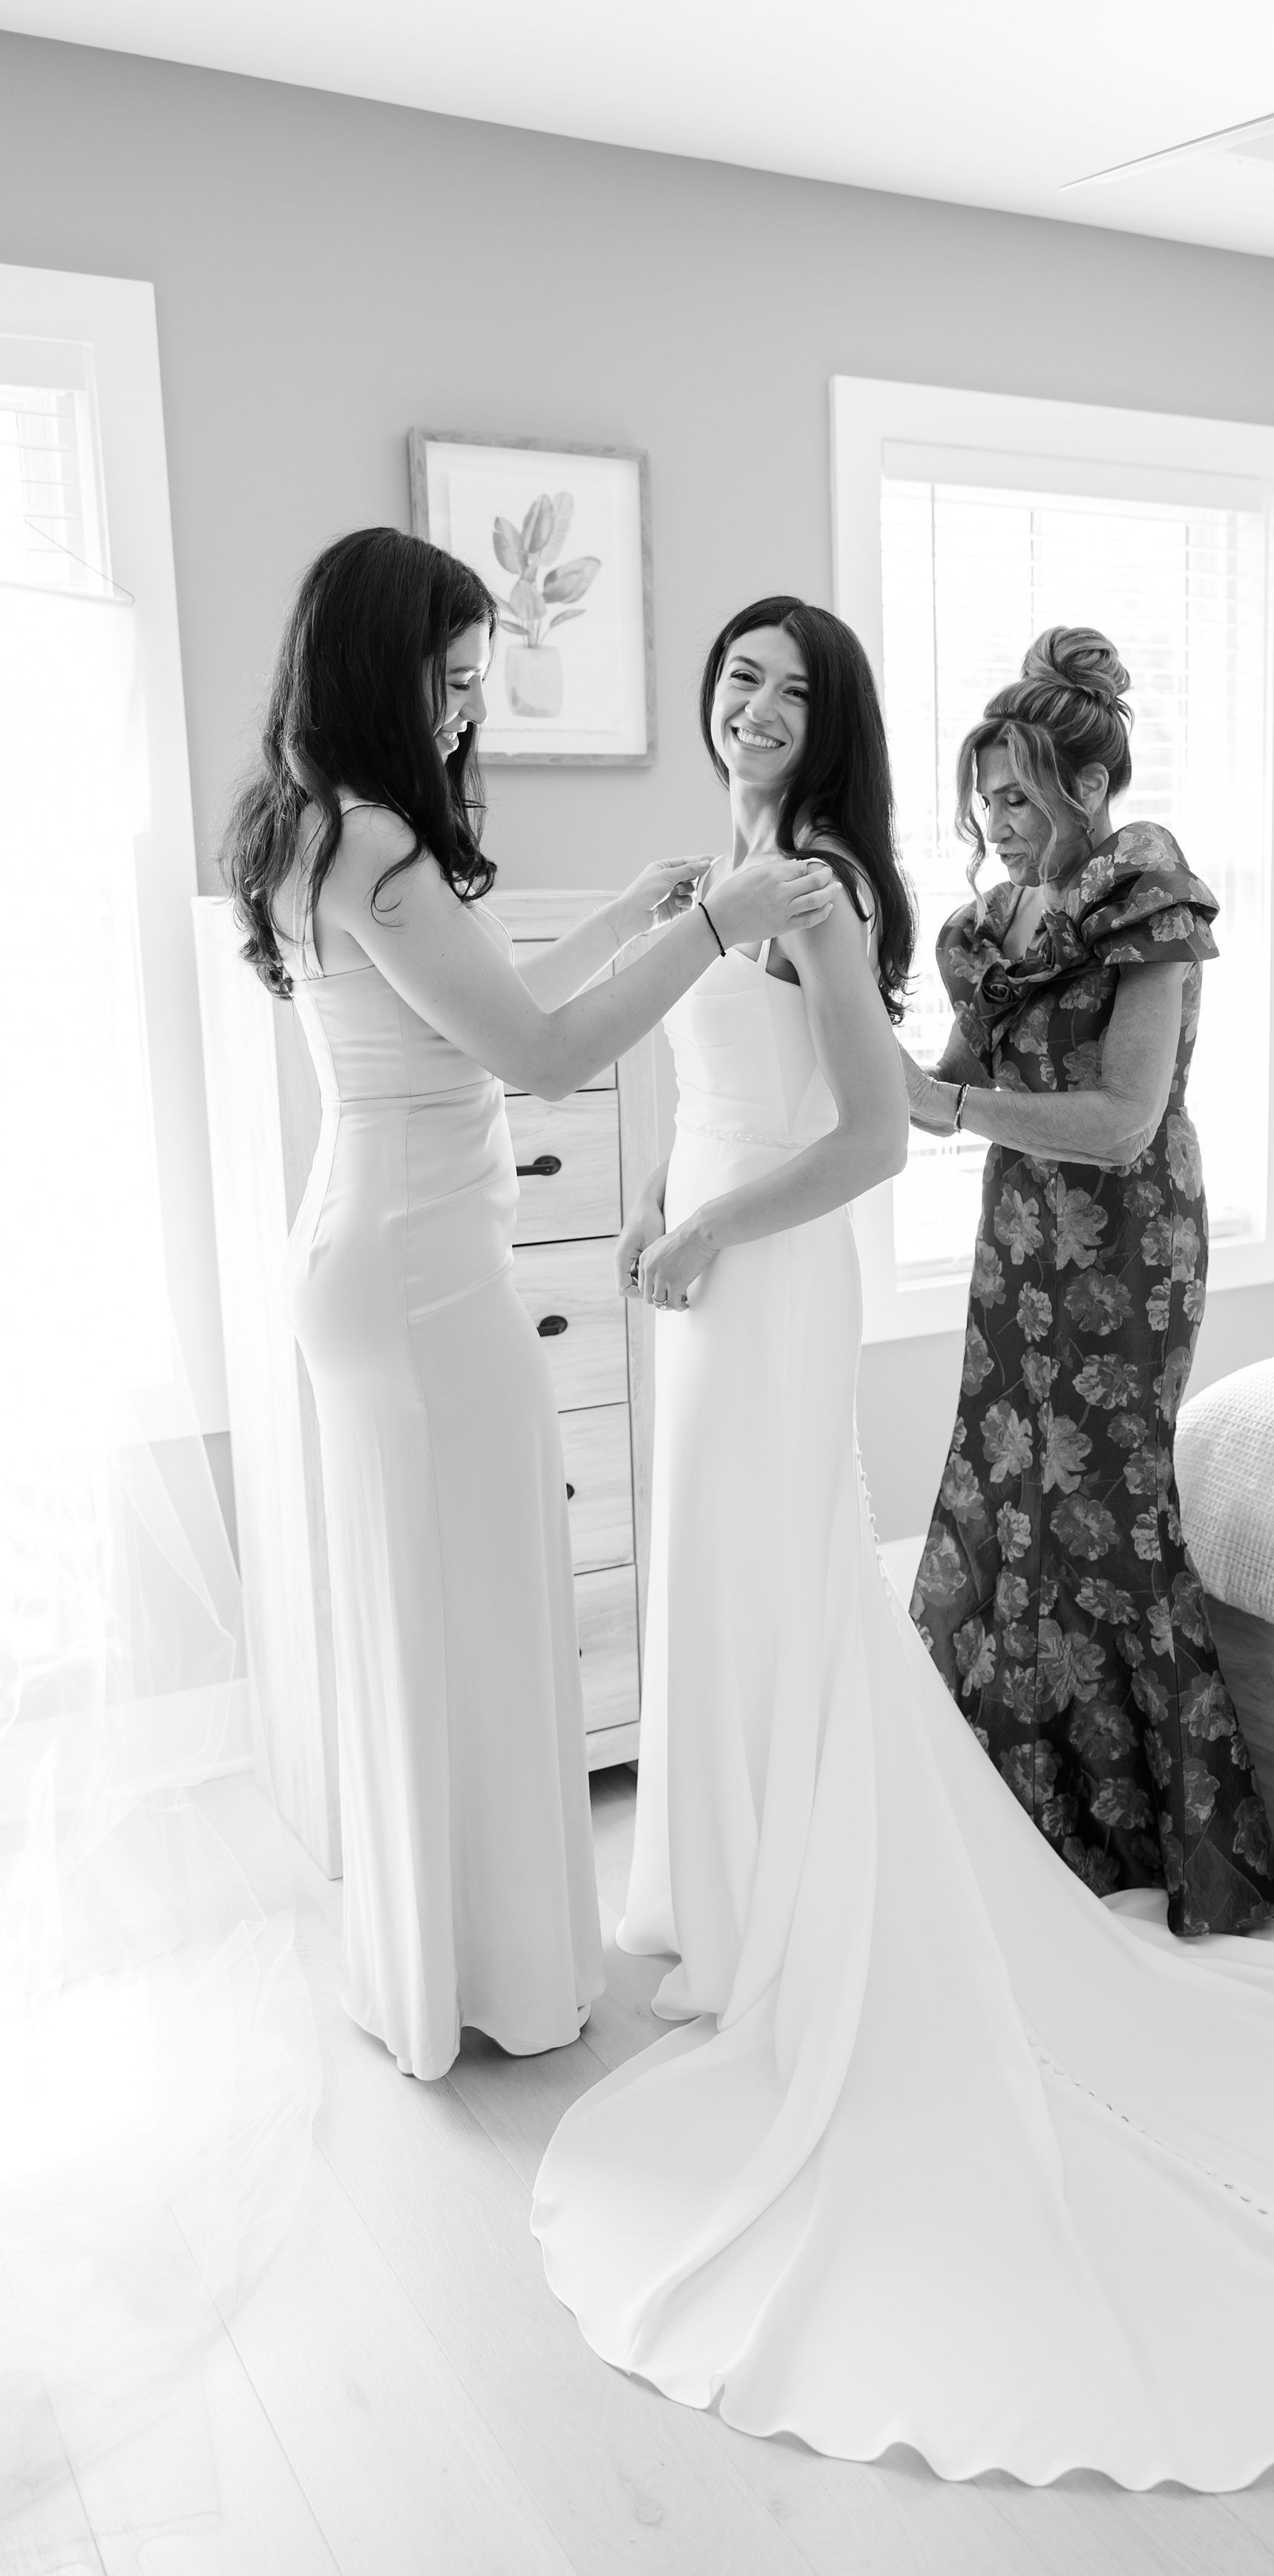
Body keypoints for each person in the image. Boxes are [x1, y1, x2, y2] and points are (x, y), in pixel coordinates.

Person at [530, 593, 1274, 2491]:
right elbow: (740, 1085)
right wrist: (670, 1188)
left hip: (1058, 1251)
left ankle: (958, 1869)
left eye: (791, 690)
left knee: (955, 1557)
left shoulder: (878, 899)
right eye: (738, 675)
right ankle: (738, 1887)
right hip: (871, 1255)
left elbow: (965, 1119)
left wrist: (736, 1210)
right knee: (883, 1555)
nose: (751, 706)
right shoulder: (756, 882)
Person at [220, 530, 834, 2081]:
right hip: (424, 1277)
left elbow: (493, 1003)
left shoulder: (311, 825)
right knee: (486, 1614)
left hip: (370, 1251)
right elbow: (545, 1058)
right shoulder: (377, 840)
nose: (460, 714)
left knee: (423, 1617)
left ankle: (433, 1969)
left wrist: (636, 909)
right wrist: (715, 925)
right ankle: (497, 1979)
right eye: (452, 680)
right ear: (384, 663)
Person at [902, 628, 1274, 1938]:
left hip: (1128, 1246)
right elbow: (936, 1083)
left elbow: (1122, 1119)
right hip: (1019, 1238)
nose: (999, 824)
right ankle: (1015, 1820)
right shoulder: (988, 926)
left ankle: (1161, 1837)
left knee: (1108, 1515)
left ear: (1089, 783)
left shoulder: (1147, 893)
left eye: (1021, 795)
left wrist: (948, 1103)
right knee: (1005, 1496)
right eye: (985, 801)